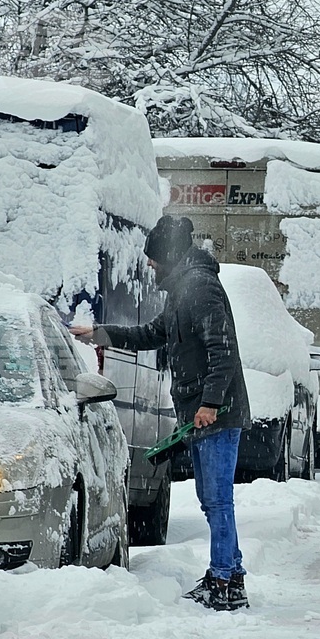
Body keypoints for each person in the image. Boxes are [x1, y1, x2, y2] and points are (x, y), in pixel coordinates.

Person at [70, 214, 251, 612]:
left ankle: (225, 582)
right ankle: (228, 572)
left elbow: (223, 351)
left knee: (218, 500)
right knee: (211, 498)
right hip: (201, 411)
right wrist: (100, 333)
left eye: (153, 260)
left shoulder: (201, 289)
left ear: (168, 256)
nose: (149, 266)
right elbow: (153, 334)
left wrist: (210, 404)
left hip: (216, 413)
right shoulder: (182, 291)